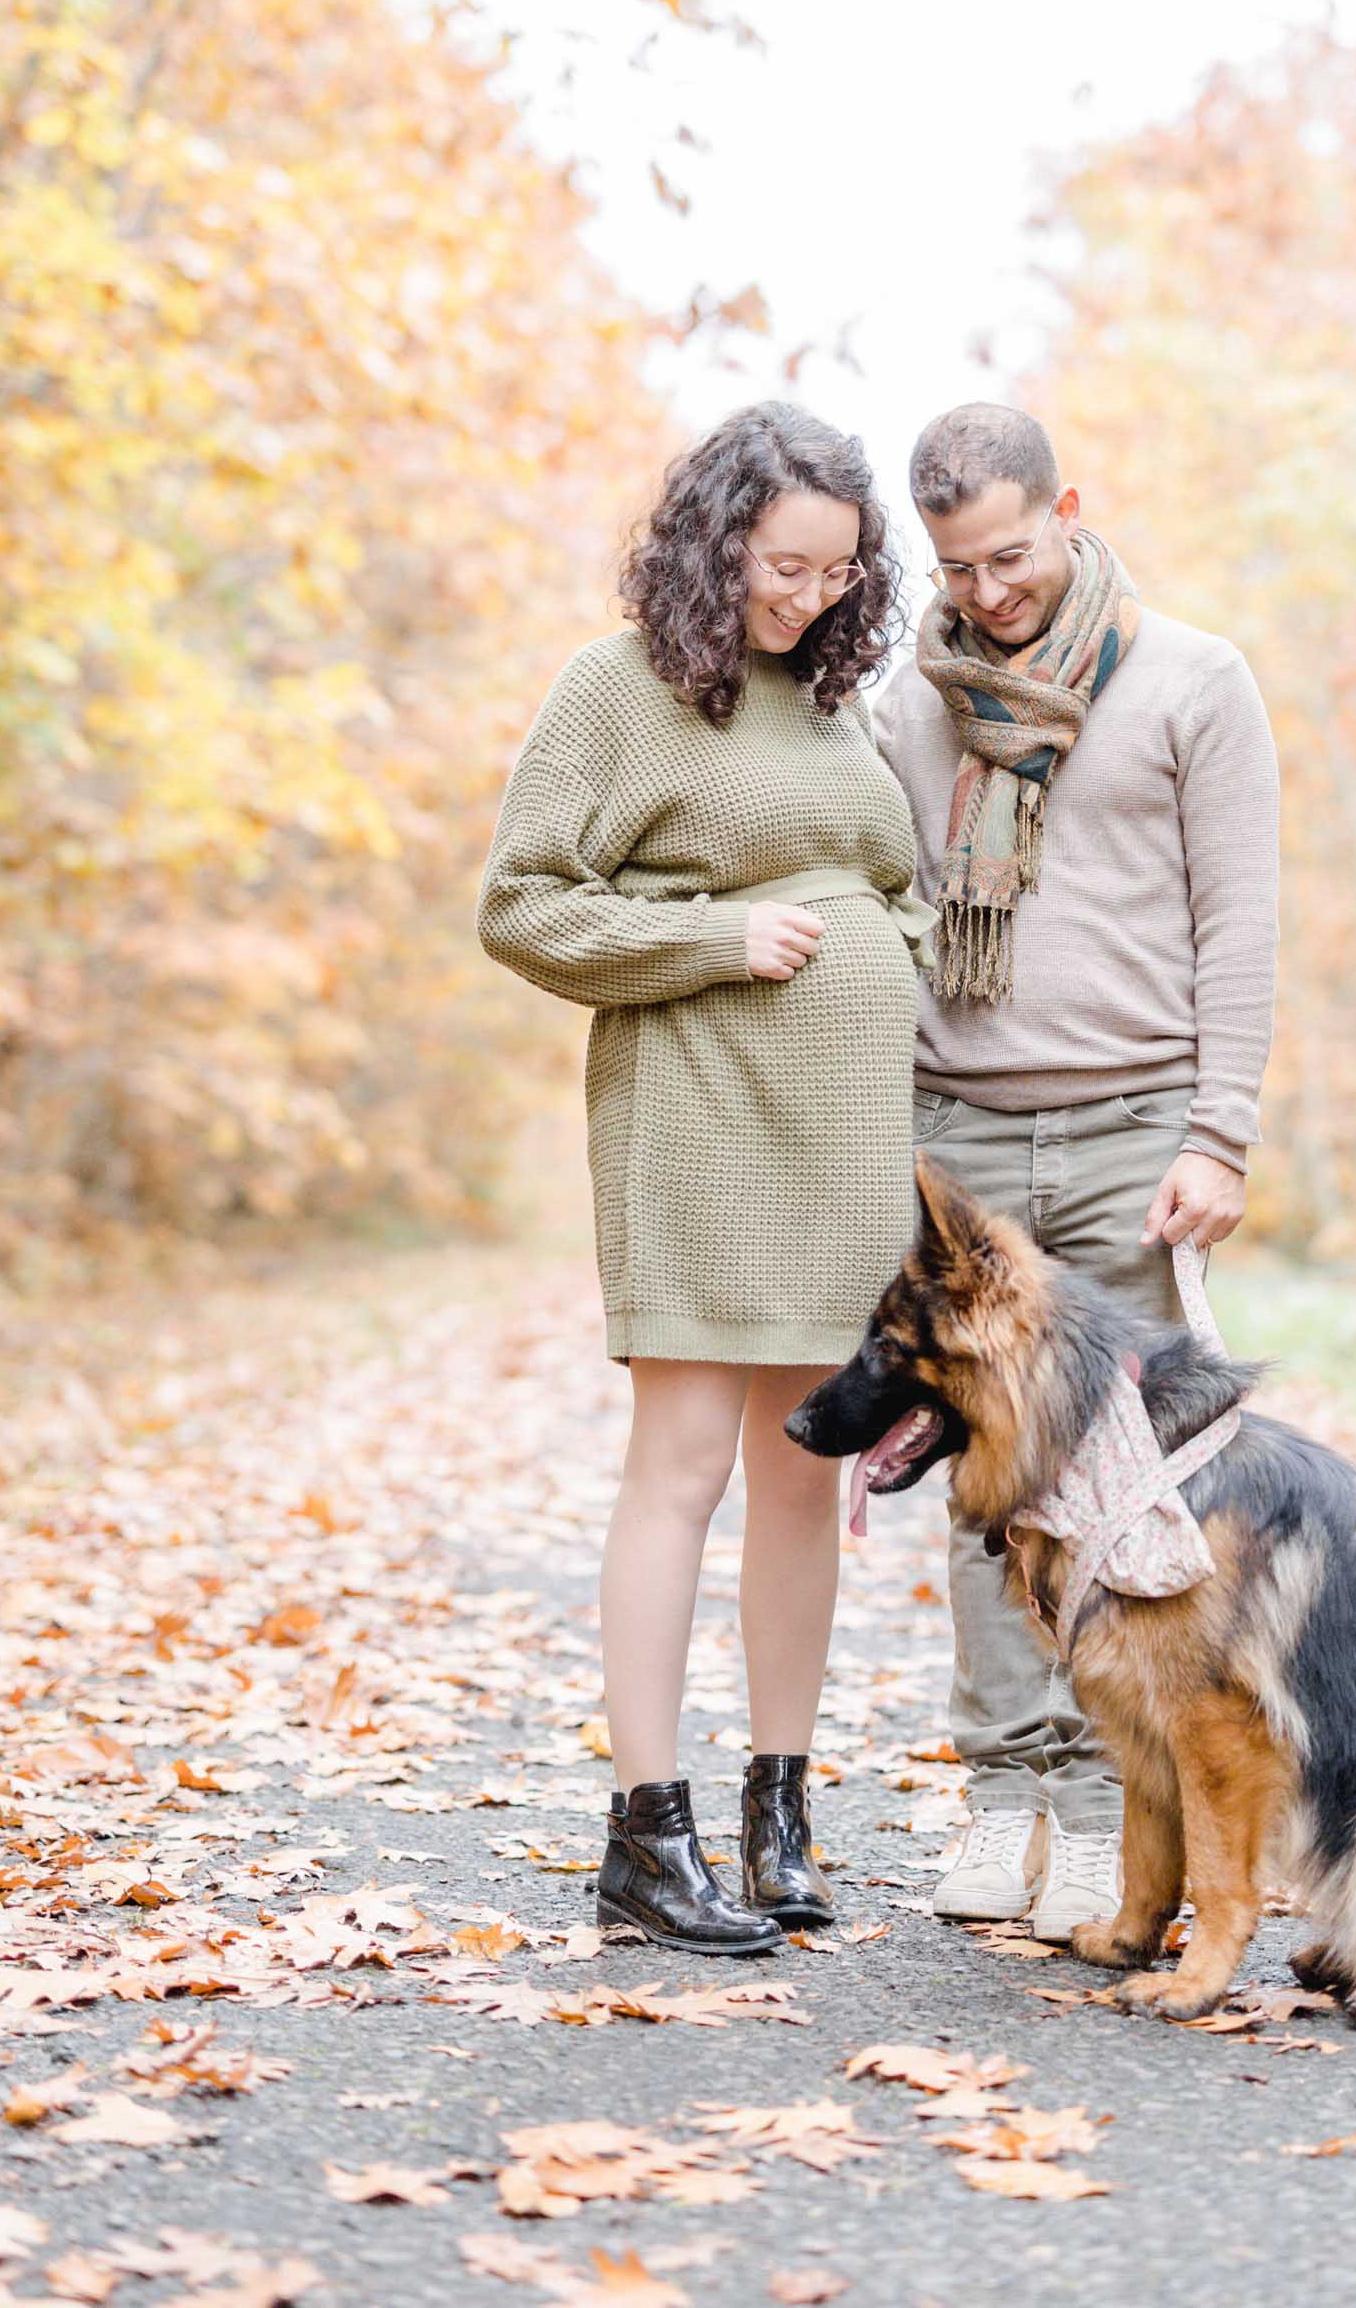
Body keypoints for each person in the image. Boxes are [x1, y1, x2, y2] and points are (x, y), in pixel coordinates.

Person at [476, 402, 926, 1956]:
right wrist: (713, 942)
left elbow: (894, 889)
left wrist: (894, 960)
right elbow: (522, 905)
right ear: (717, 534)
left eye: (835, 575)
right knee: (683, 1461)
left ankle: (778, 1814)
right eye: (782, 565)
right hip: (697, 1111)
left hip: (845, 1139)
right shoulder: (616, 691)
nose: (806, 598)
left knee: (807, 1470)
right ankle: (646, 1838)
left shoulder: (831, 704)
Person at [871, 401, 1279, 1943]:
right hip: (956, 1145)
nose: (986, 594)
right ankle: (1004, 1805)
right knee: (987, 1485)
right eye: (956, 568)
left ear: (1071, 509)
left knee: (1150, 1492)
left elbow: (1239, 919)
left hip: (1134, 1133)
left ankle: (1160, 1821)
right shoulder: (904, 705)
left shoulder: (1192, 678)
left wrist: (1217, 1128)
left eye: (1010, 554)